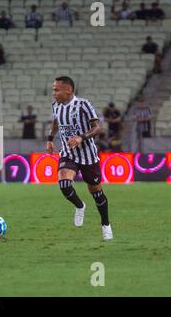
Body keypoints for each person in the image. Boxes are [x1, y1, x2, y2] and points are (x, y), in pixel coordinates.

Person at [47, 76, 112, 241]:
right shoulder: (56, 106)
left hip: (88, 155)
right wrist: (49, 139)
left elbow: (98, 127)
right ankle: (80, 206)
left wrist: (81, 137)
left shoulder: (83, 105)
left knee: (96, 192)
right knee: (64, 183)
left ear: (68, 90)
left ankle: (106, 225)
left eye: (56, 89)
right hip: (68, 153)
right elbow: (56, 122)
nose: (53, 93)